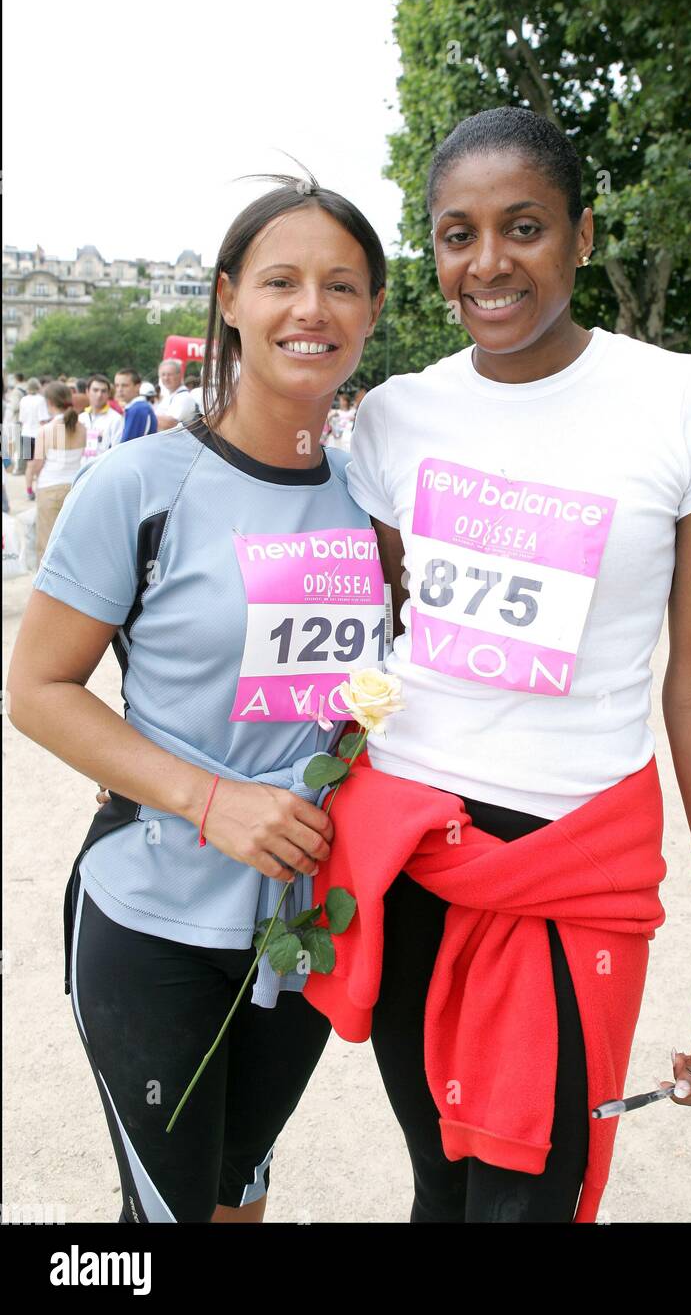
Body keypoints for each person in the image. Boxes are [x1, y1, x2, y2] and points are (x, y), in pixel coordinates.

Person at [345, 106, 691, 1222]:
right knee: (441, 1185)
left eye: (523, 226)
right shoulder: (394, 419)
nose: (487, 264)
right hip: (416, 857)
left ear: (583, 236)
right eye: (456, 234)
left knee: (529, 1201)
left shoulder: (687, 405)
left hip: (571, 865)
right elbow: (372, 646)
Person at [6, 172, 387, 1223]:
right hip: (151, 917)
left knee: (239, 1198)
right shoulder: (137, 485)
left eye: (343, 286)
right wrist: (210, 800)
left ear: (373, 312)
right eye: (281, 281)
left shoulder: (378, 497)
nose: (311, 309)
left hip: (302, 935)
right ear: (227, 298)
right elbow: (35, 690)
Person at [30, 381, 87, 565]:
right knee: (69, 541)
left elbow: (36, 463)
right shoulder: (82, 428)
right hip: (73, 487)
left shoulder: (46, 430)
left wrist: (28, 483)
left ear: (49, 402)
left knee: (46, 542)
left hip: (49, 488)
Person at [79, 374, 123, 461]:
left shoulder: (116, 419)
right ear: (87, 392)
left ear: (108, 394)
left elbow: (116, 451)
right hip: (81, 471)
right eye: (95, 390)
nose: (99, 395)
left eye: (103, 391)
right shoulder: (80, 418)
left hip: (102, 471)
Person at [20, 378, 51, 496]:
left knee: (29, 465)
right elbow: (43, 419)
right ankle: (39, 488)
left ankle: (28, 490)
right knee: (40, 463)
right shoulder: (40, 400)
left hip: (26, 434)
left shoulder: (23, 400)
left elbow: (22, 419)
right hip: (38, 435)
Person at [113, 368, 158, 442]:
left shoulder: (138, 409)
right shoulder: (137, 407)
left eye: (124, 385)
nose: (119, 389)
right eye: (117, 385)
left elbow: (128, 444)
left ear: (138, 386)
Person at [155, 359, 199, 430]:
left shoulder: (184, 397)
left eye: (170, 374)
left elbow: (169, 424)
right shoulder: (170, 396)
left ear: (180, 375)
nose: (166, 378)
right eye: (163, 375)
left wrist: (146, 415)